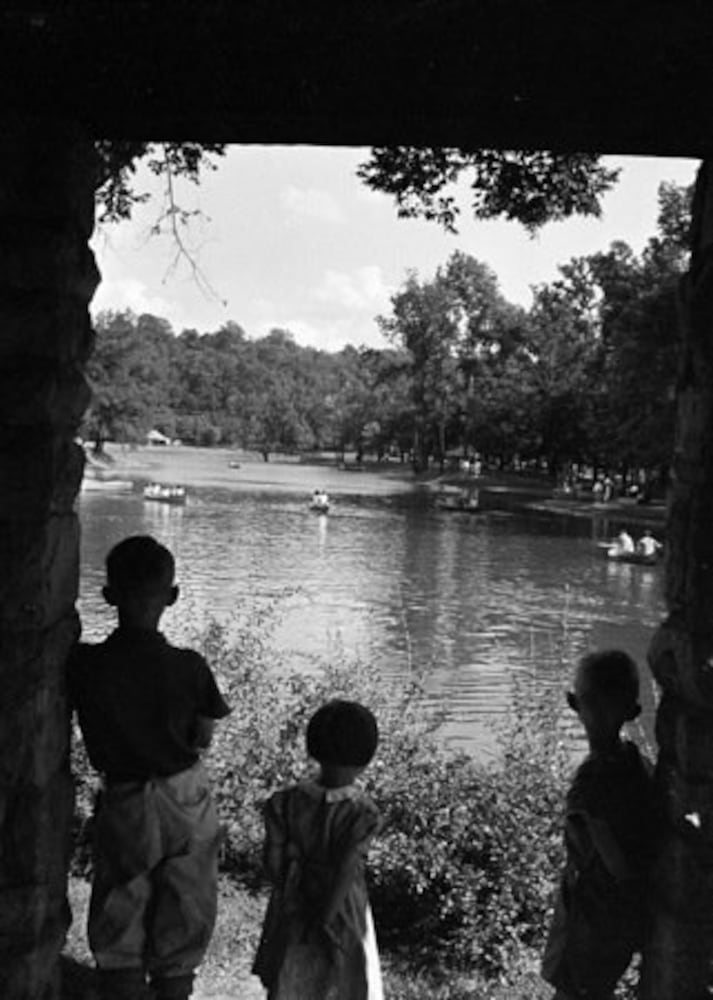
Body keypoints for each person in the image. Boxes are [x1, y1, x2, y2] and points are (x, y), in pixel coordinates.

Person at [68, 535, 231, 1000]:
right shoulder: (190, 667)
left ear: (108, 595)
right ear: (173, 596)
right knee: (186, 912)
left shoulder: (86, 664)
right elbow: (202, 737)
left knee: (121, 915)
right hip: (184, 797)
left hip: (124, 800)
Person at [541, 650, 656, 1000]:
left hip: (593, 917)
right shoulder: (637, 763)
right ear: (634, 711)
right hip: (621, 920)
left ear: (575, 704)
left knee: (574, 992)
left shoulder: (589, 783)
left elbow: (613, 860)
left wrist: (628, 892)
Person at [253, 699, 383, 1000]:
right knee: (344, 981)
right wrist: (325, 918)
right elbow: (346, 869)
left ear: (313, 748)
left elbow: (272, 864)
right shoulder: (362, 813)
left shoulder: (283, 802)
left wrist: (292, 883)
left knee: (293, 976)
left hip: (293, 904)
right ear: (367, 757)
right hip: (341, 909)